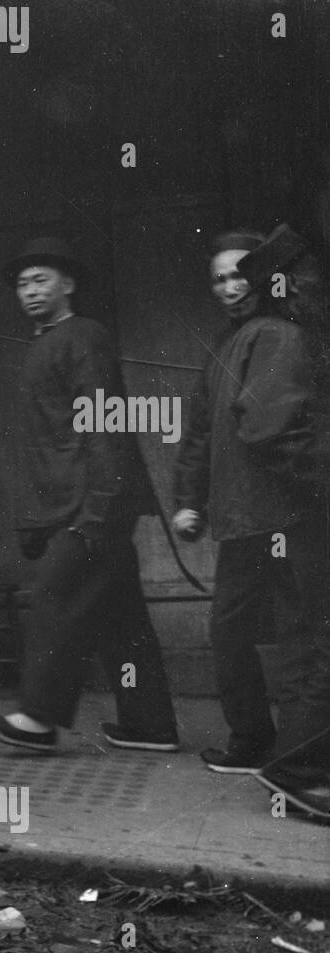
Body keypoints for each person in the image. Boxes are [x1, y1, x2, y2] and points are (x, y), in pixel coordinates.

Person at [0, 238, 179, 755]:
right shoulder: (43, 344)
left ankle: (39, 719)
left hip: (93, 505)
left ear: (67, 285)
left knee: (53, 596)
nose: (29, 291)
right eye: (22, 284)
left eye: (40, 279)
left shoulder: (83, 337)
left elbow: (106, 424)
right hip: (72, 504)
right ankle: (150, 725)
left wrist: (100, 507)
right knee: (122, 620)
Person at [173, 229, 307, 775]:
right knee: (229, 631)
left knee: (301, 634)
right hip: (240, 520)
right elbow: (201, 434)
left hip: (287, 514)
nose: (231, 287)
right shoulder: (219, 350)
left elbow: (277, 430)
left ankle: (301, 760)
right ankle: (251, 740)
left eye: (239, 274)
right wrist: (189, 501)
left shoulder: (277, 335)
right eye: (219, 278)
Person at [232, 226, 330, 819]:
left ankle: (301, 765)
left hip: (308, 508)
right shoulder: (283, 336)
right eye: (316, 272)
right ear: (289, 281)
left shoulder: (297, 334)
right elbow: (268, 429)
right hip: (311, 510)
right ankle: (296, 766)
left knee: (314, 638)